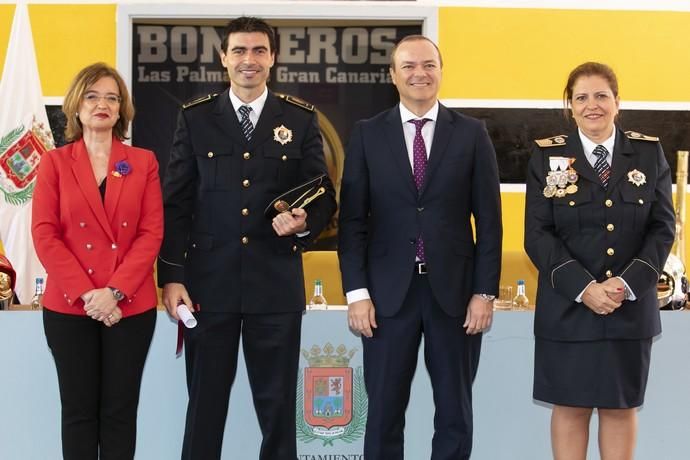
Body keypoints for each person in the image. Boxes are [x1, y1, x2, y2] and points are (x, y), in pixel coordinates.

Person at [157, 16, 336, 460]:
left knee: (277, 411)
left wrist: (303, 220)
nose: (248, 60)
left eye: (258, 51)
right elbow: (176, 203)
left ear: (273, 59)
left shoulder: (299, 118)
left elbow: (324, 194)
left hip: (274, 285)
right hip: (208, 287)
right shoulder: (195, 118)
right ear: (224, 58)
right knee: (204, 408)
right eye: (239, 51)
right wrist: (172, 276)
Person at [338, 35, 502, 459]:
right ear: (393, 76)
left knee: (454, 412)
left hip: (456, 296)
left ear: (441, 72)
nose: (419, 73)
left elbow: (490, 222)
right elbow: (352, 222)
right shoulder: (366, 134)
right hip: (387, 297)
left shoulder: (471, 134)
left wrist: (484, 293)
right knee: (384, 413)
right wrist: (357, 294)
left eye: (429, 65)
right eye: (408, 66)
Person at [524, 62, 675, 460]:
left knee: (619, 406)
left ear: (617, 102)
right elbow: (538, 234)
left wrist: (625, 286)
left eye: (601, 95)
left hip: (629, 307)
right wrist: (584, 288)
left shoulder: (646, 152)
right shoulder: (547, 156)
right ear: (569, 106)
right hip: (568, 308)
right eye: (582, 97)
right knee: (570, 407)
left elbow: (662, 228)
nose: (592, 105)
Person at [31, 62, 163, 459]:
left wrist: (115, 292)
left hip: (130, 306)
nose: (102, 104)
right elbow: (45, 234)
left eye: (112, 97)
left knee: (120, 412)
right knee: (78, 412)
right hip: (71, 306)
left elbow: (151, 233)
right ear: (76, 105)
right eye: (92, 96)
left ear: (122, 109)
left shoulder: (143, 162)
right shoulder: (55, 163)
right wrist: (89, 294)